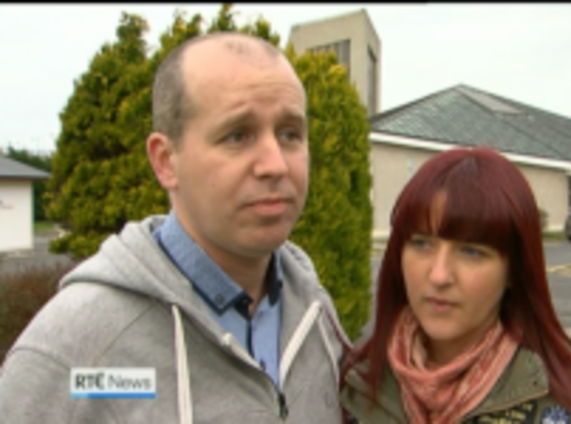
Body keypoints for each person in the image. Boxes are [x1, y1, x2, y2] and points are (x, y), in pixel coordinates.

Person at [0, 32, 348, 423]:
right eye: (237, 135)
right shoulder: (76, 351)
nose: (276, 164)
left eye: (289, 134)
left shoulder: (316, 313)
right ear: (165, 161)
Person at [340, 147, 571, 424]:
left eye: (471, 251)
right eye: (422, 244)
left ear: (513, 270)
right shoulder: (352, 386)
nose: (439, 276)